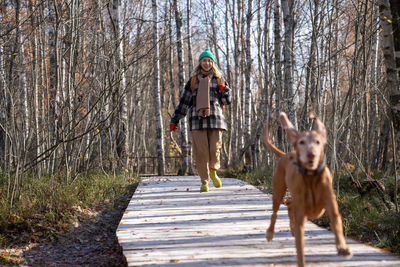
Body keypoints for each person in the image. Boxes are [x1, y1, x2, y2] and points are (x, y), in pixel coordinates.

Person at [169, 48, 232, 192]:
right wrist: (175, 119)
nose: (207, 63)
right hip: (197, 121)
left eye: (209, 60)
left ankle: (214, 171)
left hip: (215, 120)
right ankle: (204, 182)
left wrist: (225, 91)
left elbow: (227, 101)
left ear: (213, 63)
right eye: (204, 60)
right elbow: (184, 102)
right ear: (200, 62)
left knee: (214, 150)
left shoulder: (219, 79)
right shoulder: (193, 81)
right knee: (201, 152)